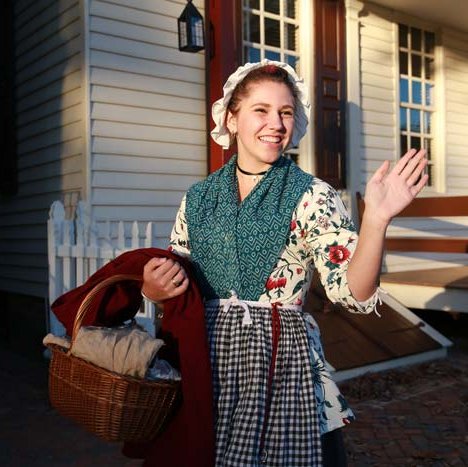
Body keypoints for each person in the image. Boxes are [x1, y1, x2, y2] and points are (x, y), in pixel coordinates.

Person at [141, 59, 428, 466]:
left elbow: (354, 292)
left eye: (286, 112)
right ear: (232, 117)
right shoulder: (199, 197)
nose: (275, 123)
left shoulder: (313, 195)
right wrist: (153, 290)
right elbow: (179, 284)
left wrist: (377, 220)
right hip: (209, 365)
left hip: (283, 367)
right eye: (261, 110)